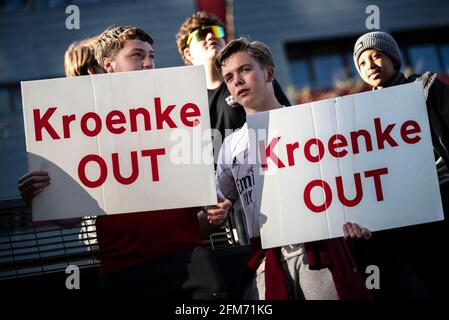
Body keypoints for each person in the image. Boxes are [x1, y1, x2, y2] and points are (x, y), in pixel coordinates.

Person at [18, 26, 231, 299]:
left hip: (189, 260)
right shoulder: (81, 124)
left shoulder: (180, 110)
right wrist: (39, 197)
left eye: (151, 55)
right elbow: (71, 219)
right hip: (123, 269)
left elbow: (206, 204)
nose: (148, 63)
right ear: (109, 65)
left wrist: (217, 212)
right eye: (137, 55)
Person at [214, 37, 372, 300]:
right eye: (229, 77)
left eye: (245, 70)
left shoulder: (313, 124)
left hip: (321, 257)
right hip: (266, 266)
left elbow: (355, 186)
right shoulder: (230, 146)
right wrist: (214, 211)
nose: (237, 81)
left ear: (269, 73)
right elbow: (215, 206)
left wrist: (362, 220)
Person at [353, 31, 449, 299]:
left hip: (442, 200)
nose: (369, 65)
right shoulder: (358, 116)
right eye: (362, 63)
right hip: (401, 219)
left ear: (393, 59)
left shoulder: (429, 90)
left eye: (376, 56)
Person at [176, 11, 290, 154]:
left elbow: (288, 119)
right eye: (201, 34)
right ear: (188, 54)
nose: (211, 36)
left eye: (216, 31)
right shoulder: (185, 105)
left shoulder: (256, 81)